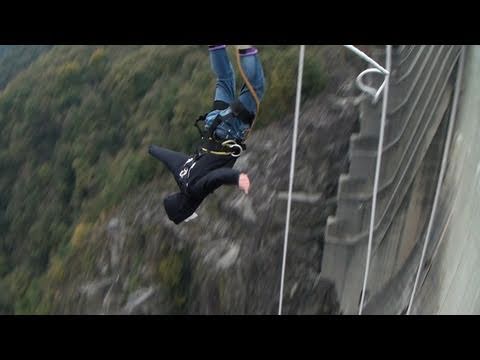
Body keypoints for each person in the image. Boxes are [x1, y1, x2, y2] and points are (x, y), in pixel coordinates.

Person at [148, 45, 266, 224]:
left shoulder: (195, 190)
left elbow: (215, 177)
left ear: (186, 208)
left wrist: (237, 177)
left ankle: (246, 48)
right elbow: (170, 158)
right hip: (212, 123)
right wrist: (152, 149)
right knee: (225, 77)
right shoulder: (182, 175)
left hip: (229, 130)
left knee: (255, 88)